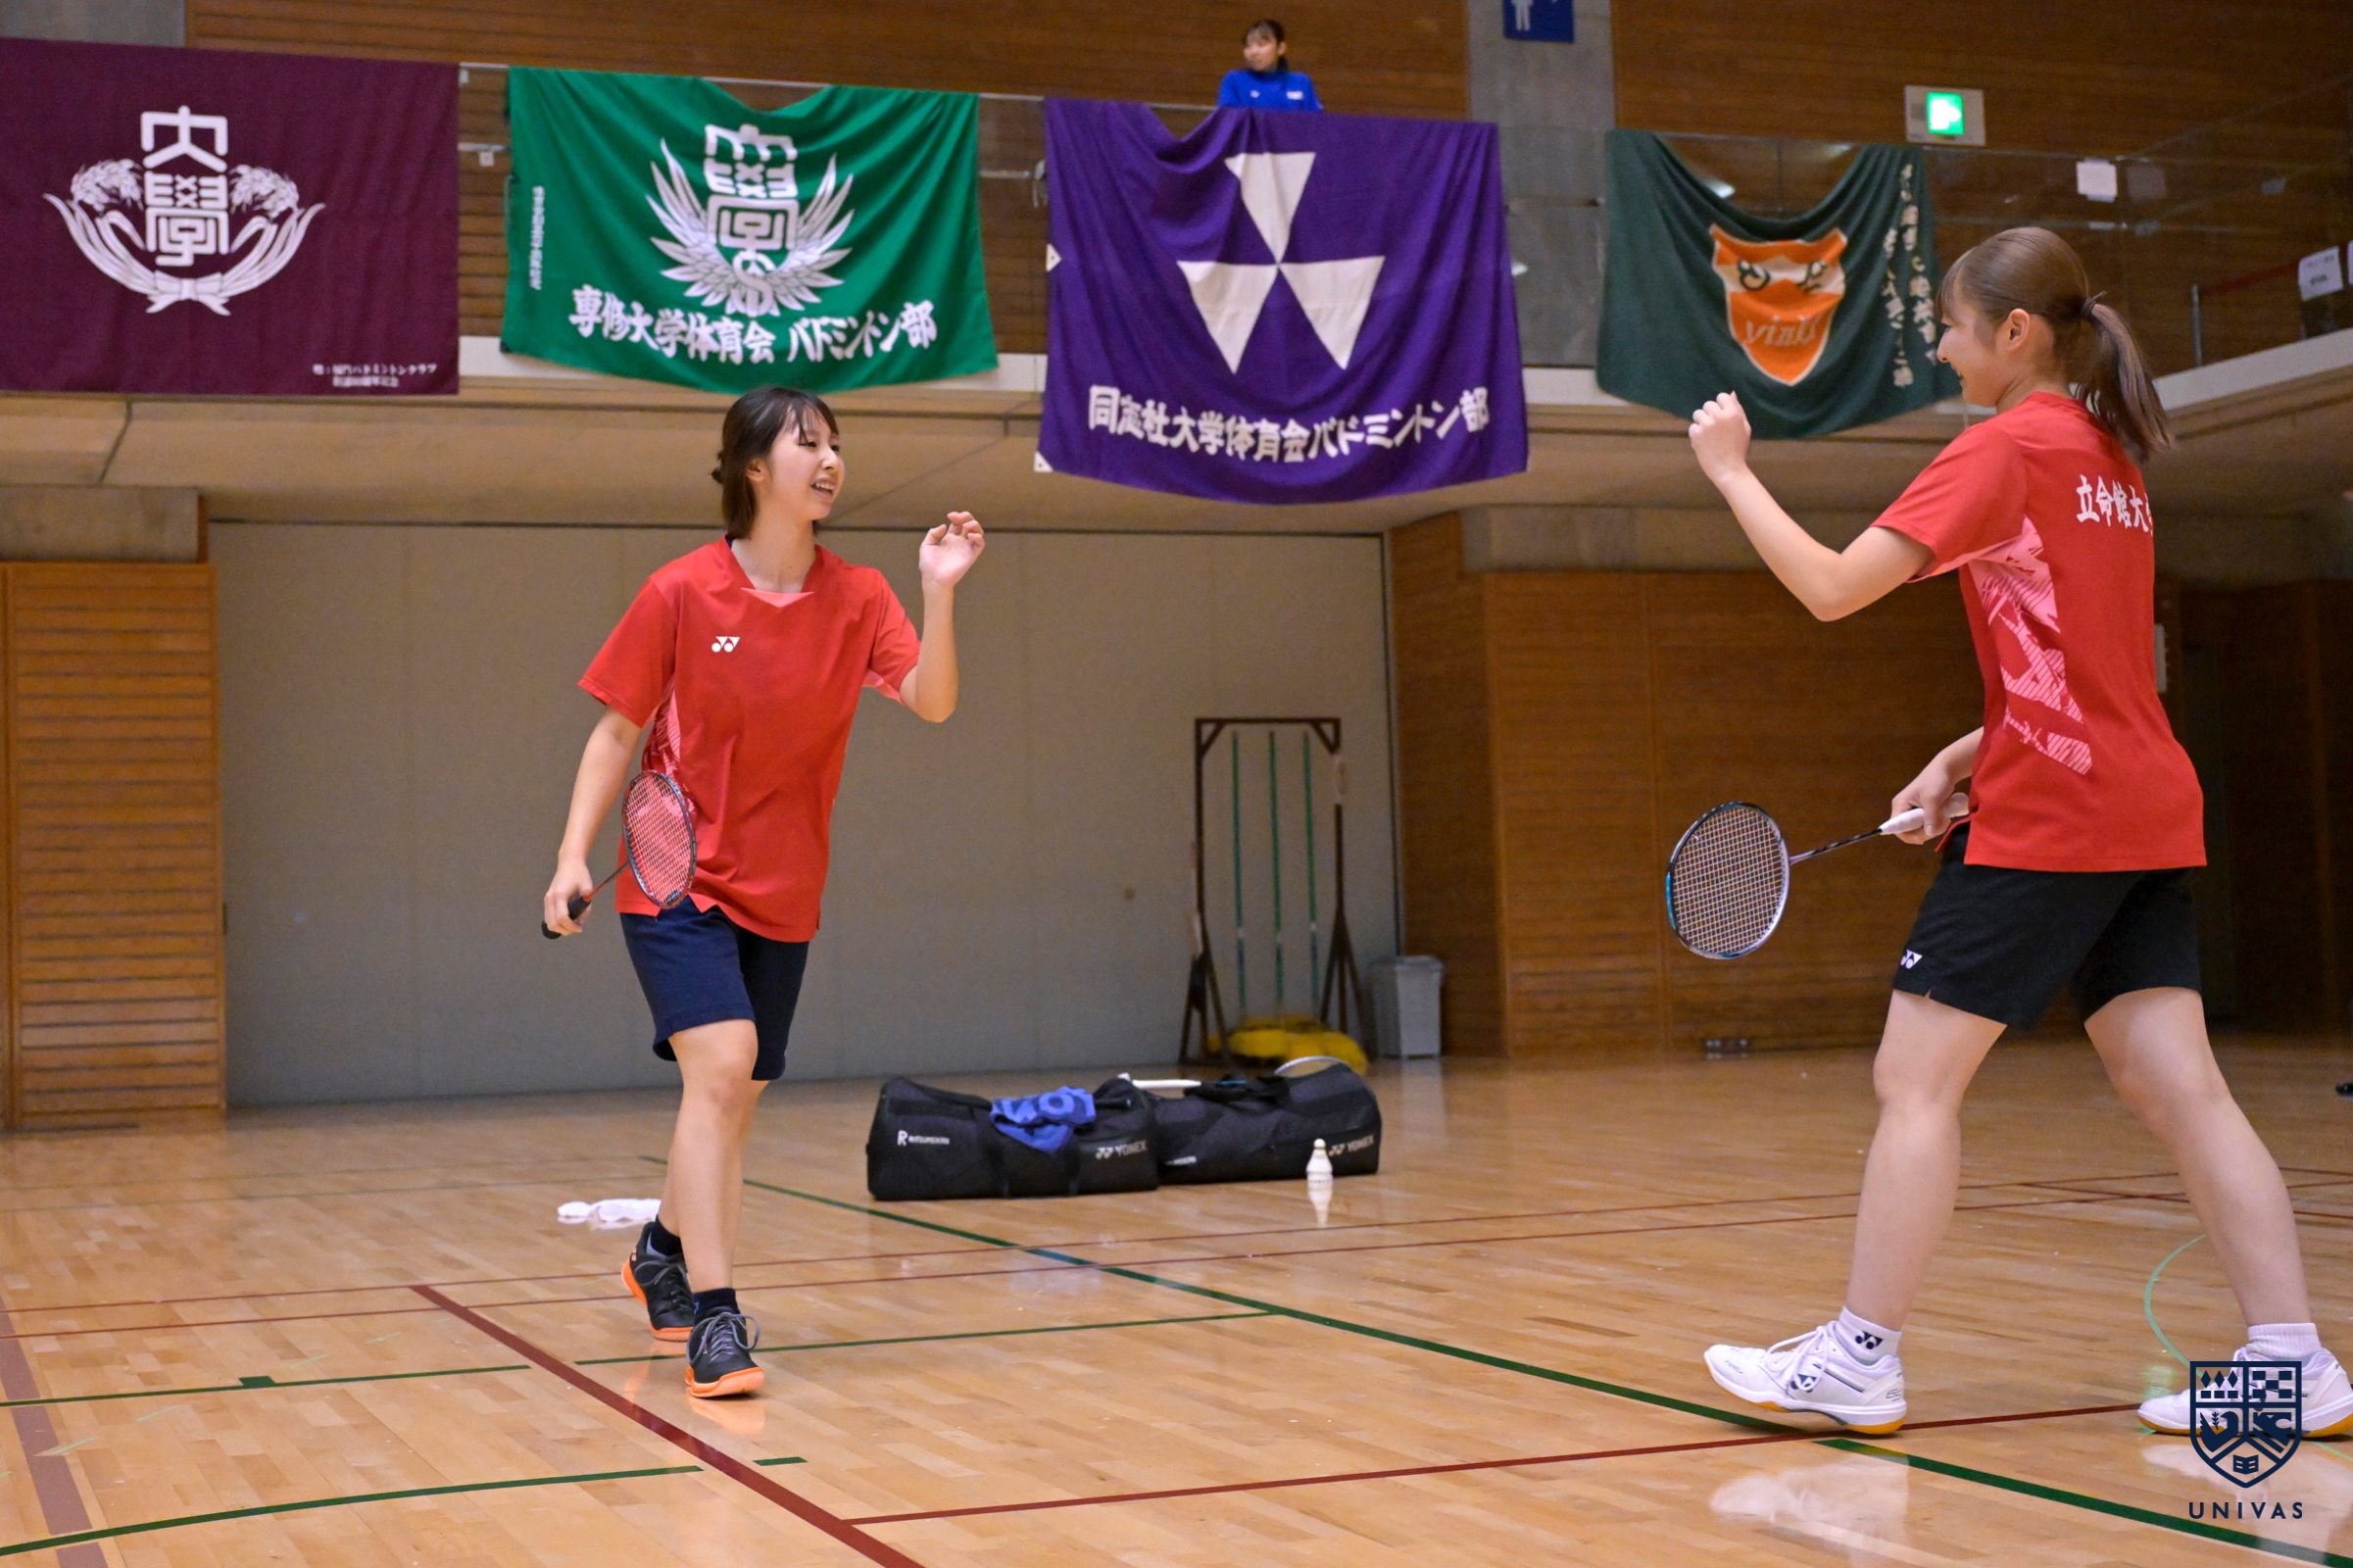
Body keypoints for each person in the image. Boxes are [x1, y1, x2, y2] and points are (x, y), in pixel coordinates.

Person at [1682, 226, 2350, 1438]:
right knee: (2180, 1087)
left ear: (2015, 332)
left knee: (1913, 1081)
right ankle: (2291, 1359)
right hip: (2141, 805)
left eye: (1951, 327)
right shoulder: (2110, 459)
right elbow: (2089, 669)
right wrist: (1967, 756)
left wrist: (1730, 471)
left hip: (2057, 821)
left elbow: (1830, 588)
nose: (1943, 349)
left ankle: (1860, 1357)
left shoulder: (2002, 449)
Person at [542, 385, 984, 1398]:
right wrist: (571, 856)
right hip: (676, 879)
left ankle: (661, 1249)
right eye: (807, 444)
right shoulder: (680, 592)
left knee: (733, 1101)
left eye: (835, 444)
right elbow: (615, 728)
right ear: (753, 466)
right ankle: (717, 1317)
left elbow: (932, 701)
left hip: (786, 890)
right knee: (723, 1068)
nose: (830, 460)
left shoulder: (859, 596)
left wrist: (939, 591)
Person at [1217, 19, 1322, 112]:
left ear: (1280, 48)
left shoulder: (1301, 82)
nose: (1253, 52)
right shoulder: (1234, 80)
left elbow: (1317, 122)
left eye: (1261, 44)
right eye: (1248, 45)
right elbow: (1228, 121)